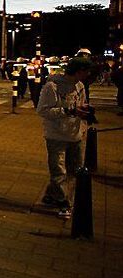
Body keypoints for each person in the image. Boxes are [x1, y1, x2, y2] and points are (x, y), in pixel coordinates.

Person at [36, 56, 94, 215]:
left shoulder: (80, 86)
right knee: (59, 171)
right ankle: (64, 203)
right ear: (79, 71)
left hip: (75, 134)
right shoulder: (52, 86)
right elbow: (42, 110)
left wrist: (85, 113)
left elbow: (81, 104)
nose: (88, 75)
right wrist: (69, 111)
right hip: (56, 135)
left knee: (74, 171)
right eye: (86, 72)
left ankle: (51, 194)